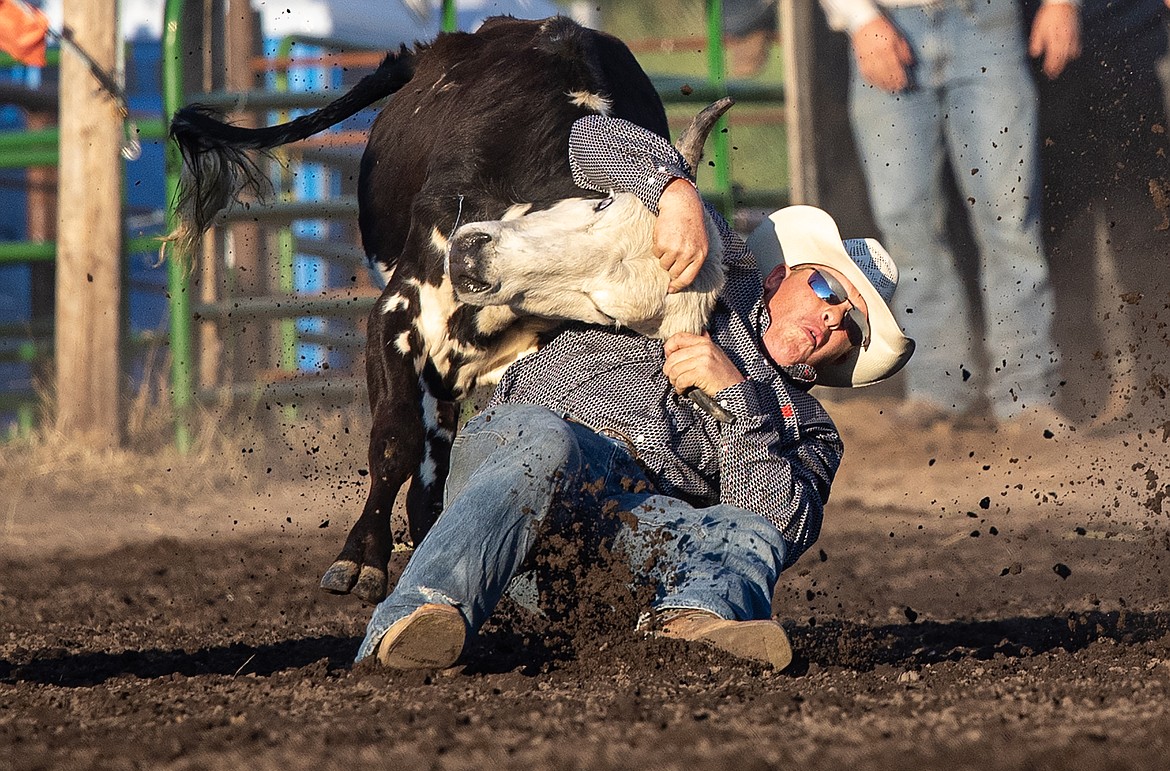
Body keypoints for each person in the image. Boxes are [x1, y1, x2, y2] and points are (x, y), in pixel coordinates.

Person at [354, 116, 914, 673]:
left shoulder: (808, 431)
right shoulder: (712, 261)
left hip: (616, 560)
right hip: (517, 477)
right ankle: (416, 616)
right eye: (827, 287)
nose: (831, 316)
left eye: (852, 326)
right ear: (779, 276)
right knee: (548, 444)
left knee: (748, 530)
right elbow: (587, 139)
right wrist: (676, 194)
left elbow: (775, 525)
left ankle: (691, 626)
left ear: (843, 356)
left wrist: (739, 398)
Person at [818, 0, 1081, 428]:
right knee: (907, 226)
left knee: (1010, 220)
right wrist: (861, 19)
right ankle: (939, 389)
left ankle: (1027, 395)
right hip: (886, 25)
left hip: (989, 22)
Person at [1022, 0, 1170, 428]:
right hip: (1042, 49)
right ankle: (1077, 390)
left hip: (1126, 43)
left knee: (1142, 228)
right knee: (1060, 233)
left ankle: (1155, 391)